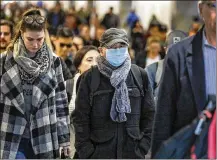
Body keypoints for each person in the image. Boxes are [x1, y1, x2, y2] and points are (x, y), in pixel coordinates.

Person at [72, 28, 155, 159]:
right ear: (101, 50)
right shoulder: (90, 78)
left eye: (121, 46)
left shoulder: (139, 75)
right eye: (112, 47)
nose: (117, 51)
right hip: (99, 153)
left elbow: (149, 114)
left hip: (132, 152)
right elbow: (80, 118)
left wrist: (143, 146)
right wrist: (87, 152)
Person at [0, 8, 70, 159]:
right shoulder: (5, 60)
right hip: (11, 132)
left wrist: (64, 139)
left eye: (40, 39)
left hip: (43, 132)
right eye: (30, 39)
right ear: (21, 35)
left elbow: (61, 102)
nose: (36, 44)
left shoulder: (54, 61)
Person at [151, 0, 216, 157]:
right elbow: (165, 115)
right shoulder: (178, 54)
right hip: (192, 150)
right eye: (213, 5)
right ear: (201, 9)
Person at [66, 46, 99, 157]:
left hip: (96, 150)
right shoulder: (67, 86)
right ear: (78, 64)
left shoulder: (105, 89)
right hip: (70, 148)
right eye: (89, 60)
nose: (94, 64)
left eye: (98, 60)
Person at [145, 30, 188, 101]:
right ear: (165, 49)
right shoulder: (153, 70)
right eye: (172, 49)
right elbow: (146, 102)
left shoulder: (194, 71)